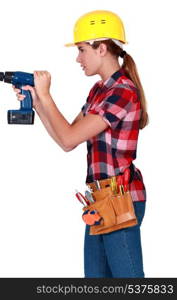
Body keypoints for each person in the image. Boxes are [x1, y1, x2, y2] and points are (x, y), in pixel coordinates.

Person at [14, 10, 148, 277]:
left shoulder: (122, 91)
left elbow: (69, 136)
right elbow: (67, 139)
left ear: (101, 49)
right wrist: (38, 103)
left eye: (82, 49)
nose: (77, 58)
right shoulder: (99, 91)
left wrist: (46, 95)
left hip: (120, 200)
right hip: (100, 200)